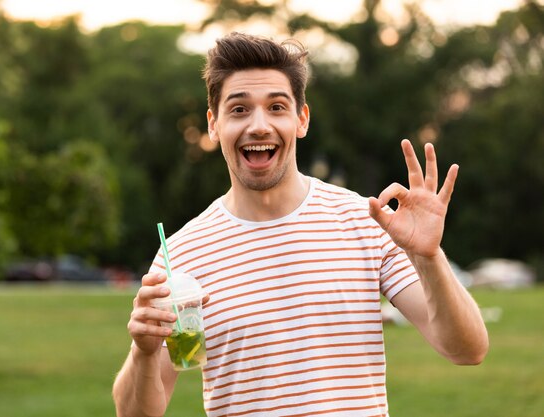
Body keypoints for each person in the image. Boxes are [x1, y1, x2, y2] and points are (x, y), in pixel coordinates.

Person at [113, 32, 488, 417]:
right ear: (213, 125)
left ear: (301, 119)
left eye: (276, 107)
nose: (259, 126)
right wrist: (143, 352)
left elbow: (467, 350)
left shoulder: (364, 221)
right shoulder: (181, 255)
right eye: (239, 109)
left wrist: (428, 257)